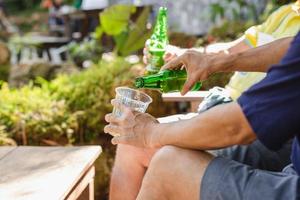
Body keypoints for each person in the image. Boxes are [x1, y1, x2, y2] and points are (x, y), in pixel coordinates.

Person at [107, 1, 300, 200]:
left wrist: (150, 133)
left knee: (168, 165)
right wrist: (207, 60)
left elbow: (236, 127)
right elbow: (277, 48)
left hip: (258, 128)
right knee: (137, 147)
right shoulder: (285, 15)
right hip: (235, 113)